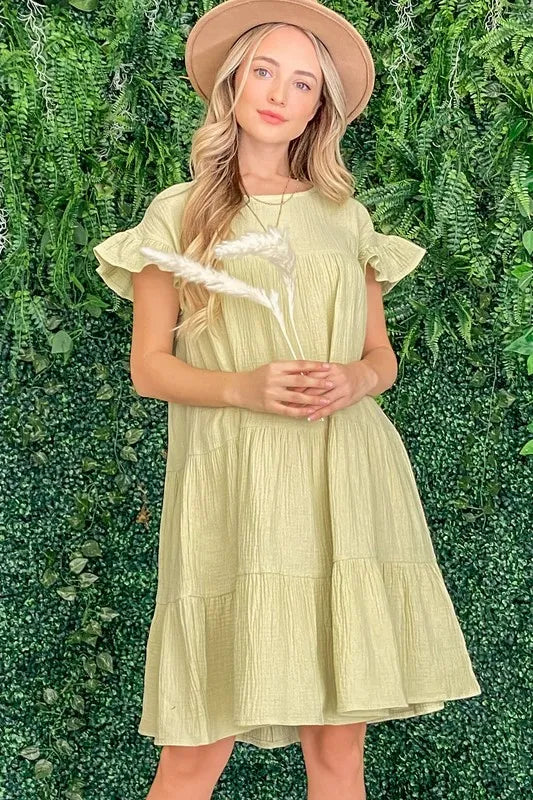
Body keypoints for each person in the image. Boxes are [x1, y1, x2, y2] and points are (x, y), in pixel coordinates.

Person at [93, 1, 482, 798]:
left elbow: (380, 357)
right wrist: (242, 386)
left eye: (302, 83)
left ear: (318, 109)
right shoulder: (177, 212)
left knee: (338, 755)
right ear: (232, 85)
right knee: (194, 752)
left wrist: (356, 380)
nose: (279, 93)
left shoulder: (345, 215)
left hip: (347, 475)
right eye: (264, 72)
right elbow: (149, 369)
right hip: (234, 486)